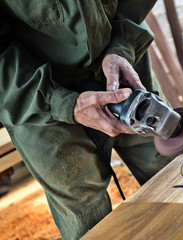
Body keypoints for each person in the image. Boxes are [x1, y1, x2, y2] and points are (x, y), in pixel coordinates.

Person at [0, 1, 173, 239]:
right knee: (85, 209)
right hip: (32, 90)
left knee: (168, 164)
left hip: (120, 52)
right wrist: (59, 102)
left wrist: (123, 44)